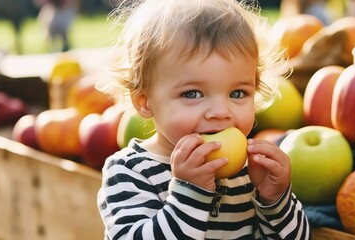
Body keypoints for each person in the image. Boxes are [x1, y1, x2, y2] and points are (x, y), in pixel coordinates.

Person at [96, 0, 311, 239]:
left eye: (237, 93)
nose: (220, 111)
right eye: (193, 94)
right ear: (145, 101)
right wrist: (190, 194)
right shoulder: (130, 172)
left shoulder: (250, 172)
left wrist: (275, 201)